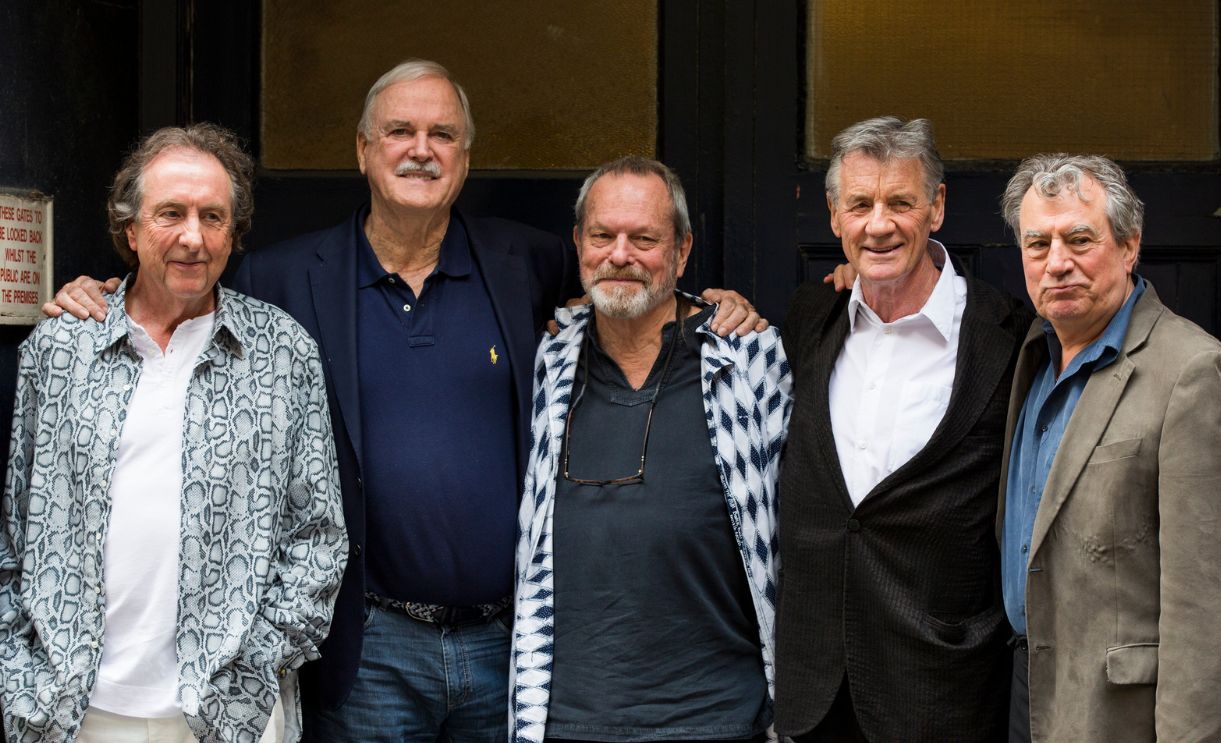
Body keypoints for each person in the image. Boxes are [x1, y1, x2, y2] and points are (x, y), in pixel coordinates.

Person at [46, 60, 763, 741]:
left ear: (465, 156)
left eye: (442, 135)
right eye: (400, 132)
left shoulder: (527, 263)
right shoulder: (281, 278)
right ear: (362, 149)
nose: (421, 150)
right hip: (371, 647)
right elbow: (179, 288)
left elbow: (627, 286)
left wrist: (720, 305)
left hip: (505, 642)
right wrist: (104, 293)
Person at [0, 123, 346, 742]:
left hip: (228, 711)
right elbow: (13, 531)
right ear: (130, 231)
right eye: (171, 213)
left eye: (213, 217)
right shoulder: (60, 349)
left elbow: (317, 534)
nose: (193, 237)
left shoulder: (282, 352)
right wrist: (20, 675)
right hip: (76, 709)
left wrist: (255, 667)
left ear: (233, 235)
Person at [511, 156, 791, 743]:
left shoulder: (746, 358)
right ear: (578, 244)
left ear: (682, 251)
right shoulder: (547, 361)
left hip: (720, 719)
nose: (620, 256)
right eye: (603, 236)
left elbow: (802, 517)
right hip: (566, 722)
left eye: (644, 239)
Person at [774, 117, 1031, 741]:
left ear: (936, 207)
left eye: (900, 202)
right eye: (859, 204)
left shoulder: (1009, 339)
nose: (879, 224)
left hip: (943, 693)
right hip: (815, 694)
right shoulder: (811, 317)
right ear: (835, 216)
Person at [998, 153, 1221, 742]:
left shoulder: (1191, 372)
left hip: (1122, 716)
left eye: (1080, 239)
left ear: (1129, 245)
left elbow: (1211, 619)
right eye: (1038, 245)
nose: (1057, 263)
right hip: (1027, 692)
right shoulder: (1033, 356)